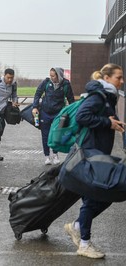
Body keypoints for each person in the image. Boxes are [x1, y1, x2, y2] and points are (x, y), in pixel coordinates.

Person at [64, 63, 125, 259]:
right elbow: (83, 117)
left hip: (98, 153)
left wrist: (112, 122)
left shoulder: (107, 97)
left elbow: (101, 119)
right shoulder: (98, 96)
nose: (122, 81)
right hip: (91, 154)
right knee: (95, 197)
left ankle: (78, 227)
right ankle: (83, 242)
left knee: (101, 196)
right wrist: (108, 122)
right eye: (118, 77)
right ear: (106, 78)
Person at [32, 67, 75, 165]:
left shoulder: (66, 84)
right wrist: (35, 107)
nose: (51, 77)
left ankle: (55, 154)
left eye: (53, 75)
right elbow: (38, 93)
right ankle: (47, 156)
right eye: (50, 75)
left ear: (59, 75)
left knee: (56, 134)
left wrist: (73, 113)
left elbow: (71, 99)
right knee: (45, 135)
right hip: (45, 113)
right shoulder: (46, 82)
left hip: (58, 114)